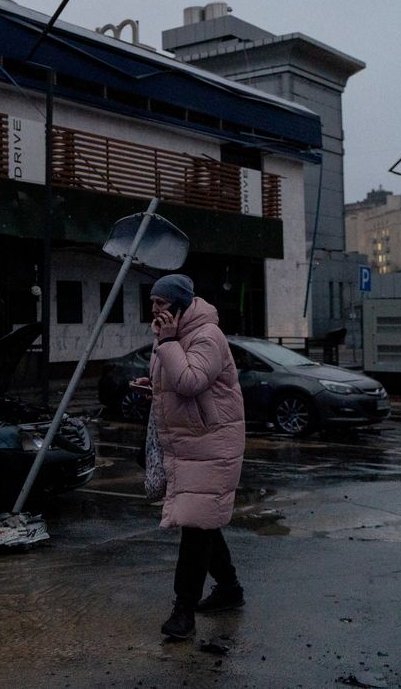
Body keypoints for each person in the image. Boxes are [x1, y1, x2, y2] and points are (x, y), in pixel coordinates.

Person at [130, 273, 246, 640]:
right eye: (152, 303)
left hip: (212, 443)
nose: (155, 310)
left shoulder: (206, 336)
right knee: (203, 520)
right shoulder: (172, 337)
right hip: (189, 442)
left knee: (197, 527)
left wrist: (166, 344)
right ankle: (229, 589)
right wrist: (154, 389)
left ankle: (183, 612)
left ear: (180, 304)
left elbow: (192, 380)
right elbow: (179, 386)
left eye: (161, 303)